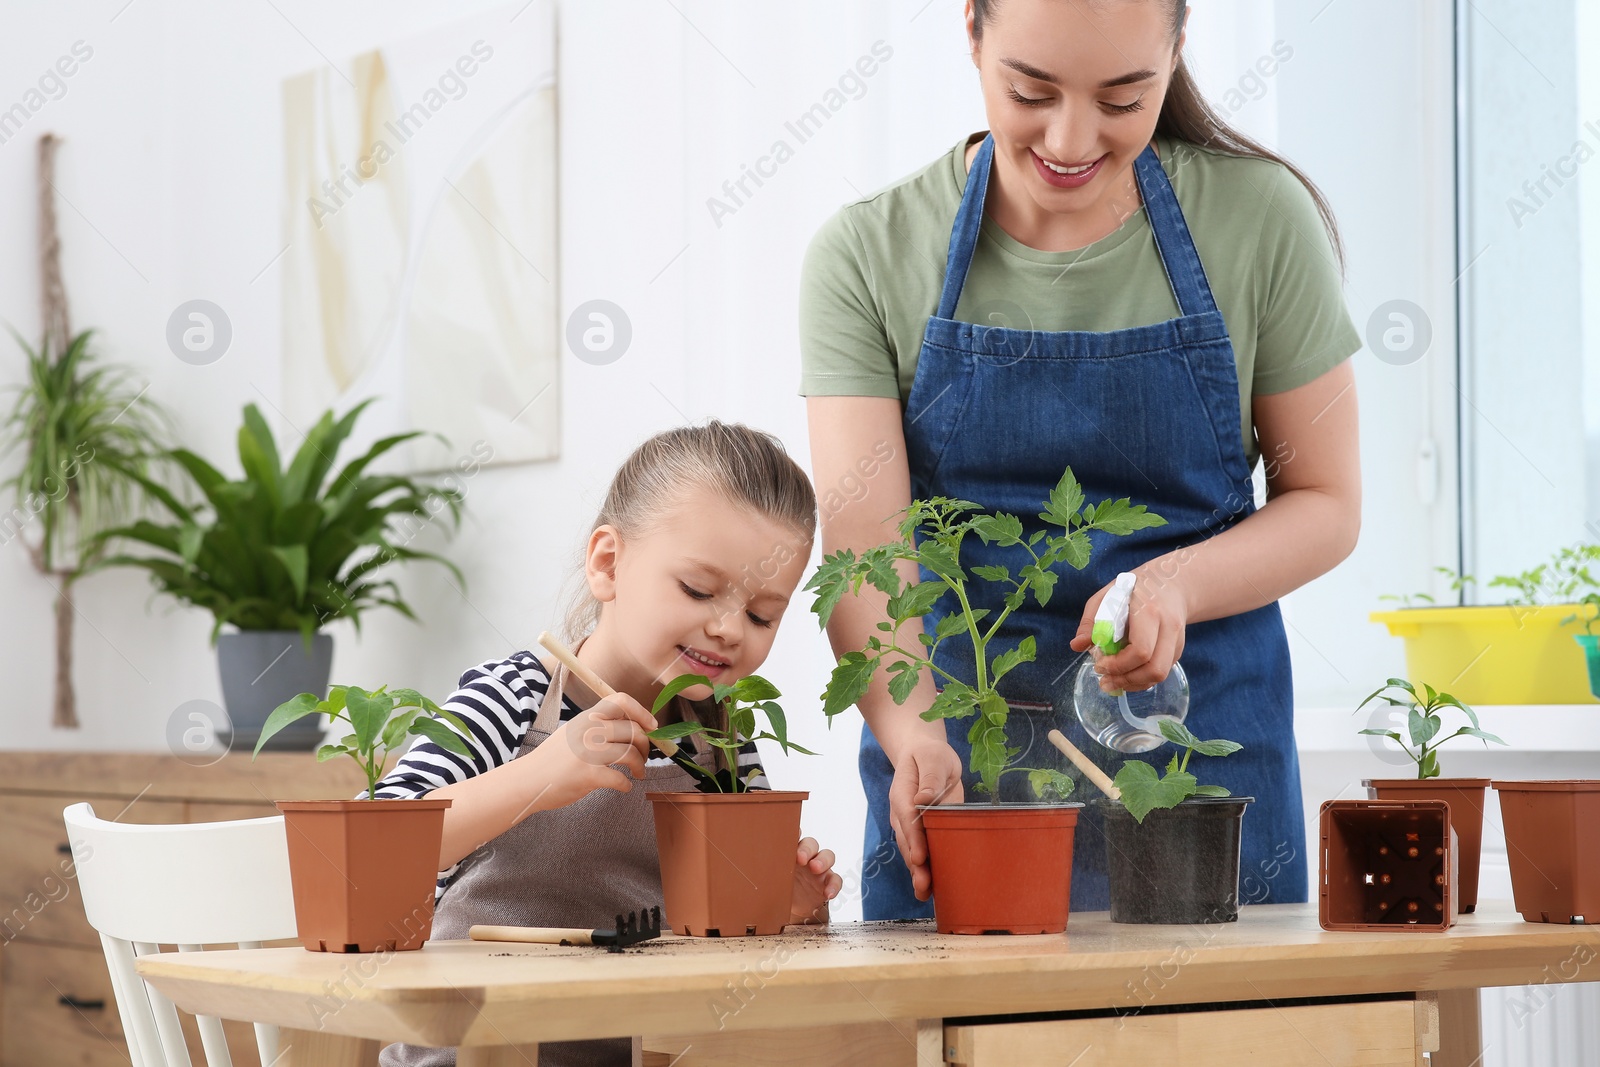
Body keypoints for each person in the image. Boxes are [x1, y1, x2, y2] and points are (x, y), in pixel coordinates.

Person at [801, 0, 1361, 919]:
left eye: (1123, 99)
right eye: (1031, 91)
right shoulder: (865, 254)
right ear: (971, 35)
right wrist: (913, 735)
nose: (1070, 137)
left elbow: (1329, 500)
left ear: (1175, 56)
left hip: (1197, 757)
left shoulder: (1259, 221)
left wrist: (1173, 584)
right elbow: (867, 550)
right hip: (961, 765)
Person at [376, 422, 842, 1067]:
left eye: (763, 614)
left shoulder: (722, 737)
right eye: (699, 591)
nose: (730, 627)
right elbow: (376, 852)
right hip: (475, 1050)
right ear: (608, 564)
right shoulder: (511, 695)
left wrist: (784, 906)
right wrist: (539, 774)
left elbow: (736, 944)